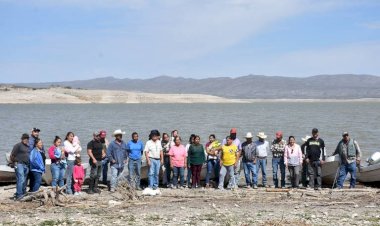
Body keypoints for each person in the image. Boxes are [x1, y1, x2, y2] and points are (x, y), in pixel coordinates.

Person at [10, 133, 30, 200]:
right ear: (22, 139)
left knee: (24, 180)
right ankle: (19, 195)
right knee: (20, 179)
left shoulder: (28, 147)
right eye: (24, 138)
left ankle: (23, 193)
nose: (26, 140)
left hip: (26, 165)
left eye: (27, 139)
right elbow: (12, 155)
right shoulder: (18, 145)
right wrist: (14, 163)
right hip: (19, 164)